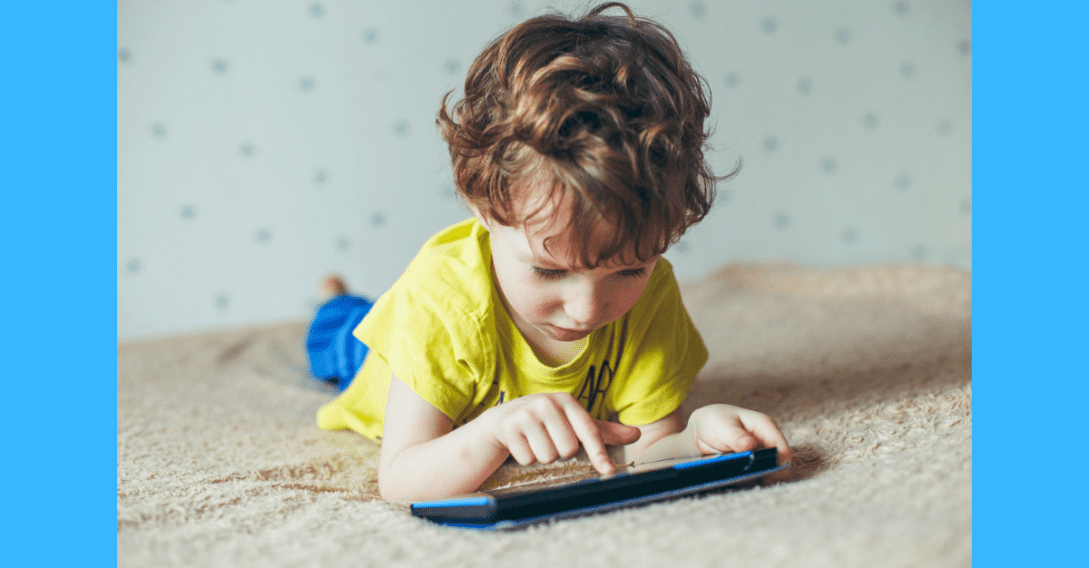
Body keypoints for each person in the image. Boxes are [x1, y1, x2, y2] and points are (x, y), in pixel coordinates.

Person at [306, 2, 792, 502]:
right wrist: (491, 433)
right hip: (380, 359)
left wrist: (696, 437)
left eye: (629, 270)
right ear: (482, 205)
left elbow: (645, 451)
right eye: (548, 270)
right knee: (342, 337)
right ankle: (334, 298)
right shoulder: (439, 303)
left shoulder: (652, 298)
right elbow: (401, 479)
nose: (587, 311)